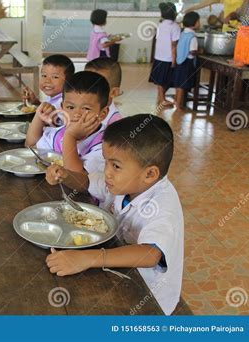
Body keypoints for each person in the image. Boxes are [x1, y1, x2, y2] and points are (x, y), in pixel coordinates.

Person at [45, 114, 184, 315]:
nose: (107, 172)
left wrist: (86, 259)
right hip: (118, 270)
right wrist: (65, 175)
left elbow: (150, 254)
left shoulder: (163, 205)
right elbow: (87, 182)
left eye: (115, 166)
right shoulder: (124, 182)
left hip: (149, 299)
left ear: (150, 174)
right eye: (106, 163)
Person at [149, 2, 181, 107]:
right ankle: (162, 99)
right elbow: (174, 44)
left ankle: (161, 97)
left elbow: (159, 40)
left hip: (159, 56)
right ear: (174, 13)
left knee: (160, 79)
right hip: (168, 57)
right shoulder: (175, 26)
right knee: (166, 79)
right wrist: (174, 59)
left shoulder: (161, 25)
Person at [172, 12, 201, 110]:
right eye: (198, 21)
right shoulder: (192, 37)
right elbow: (192, 51)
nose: (199, 23)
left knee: (178, 84)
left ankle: (176, 101)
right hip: (187, 63)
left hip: (179, 61)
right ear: (194, 23)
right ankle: (178, 105)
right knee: (182, 85)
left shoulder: (183, 33)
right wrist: (200, 51)